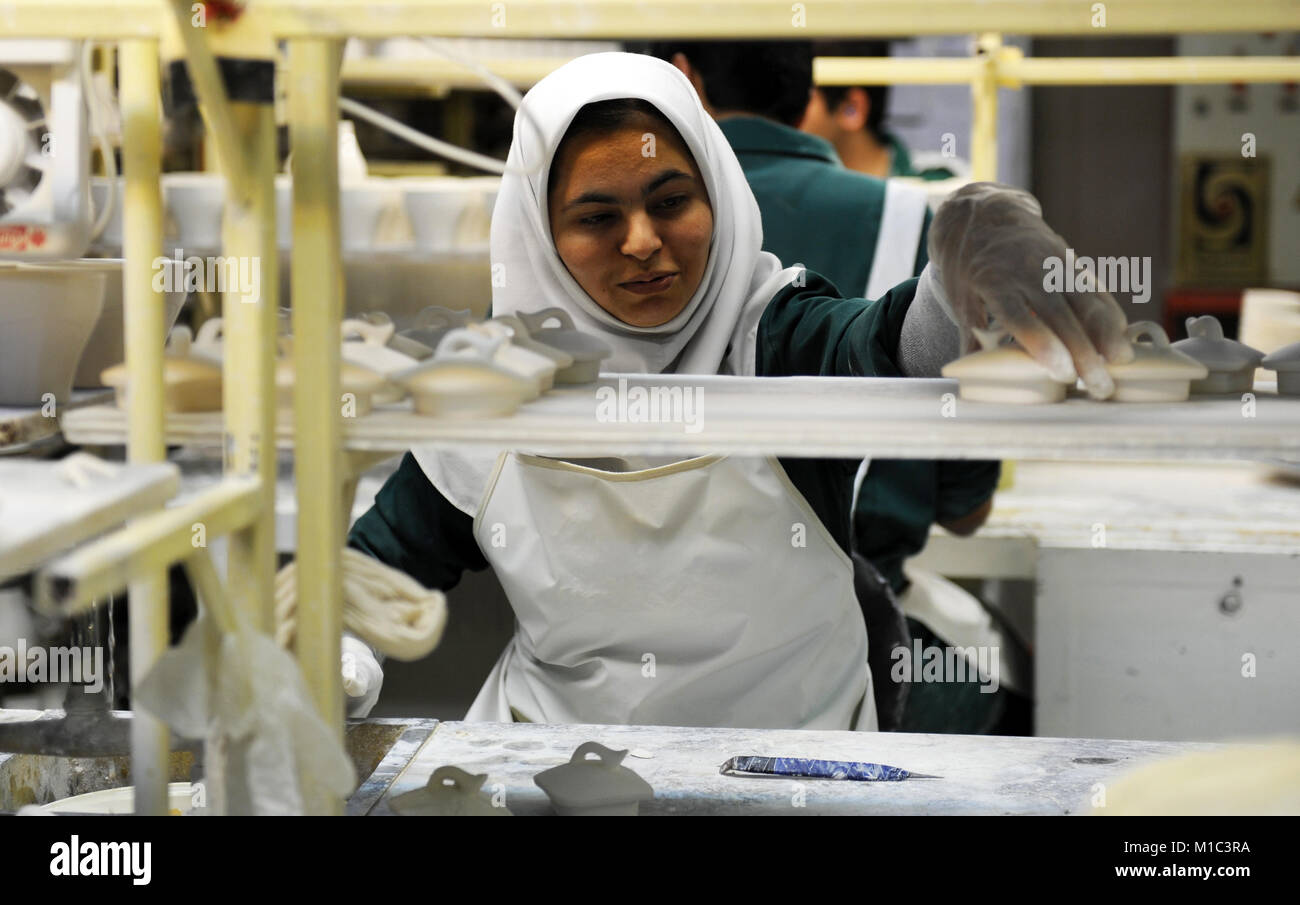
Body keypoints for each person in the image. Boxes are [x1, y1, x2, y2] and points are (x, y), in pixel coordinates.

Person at [343, 52, 1130, 729]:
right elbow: (379, 563)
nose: (645, 242)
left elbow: (885, 346)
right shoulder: (500, 384)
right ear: (540, 235)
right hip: (553, 760)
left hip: (800, 764)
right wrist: (337, 655)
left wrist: (960, 276)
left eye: (671, 201)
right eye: (596, 216)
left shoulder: (772, 336)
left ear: (715, 192)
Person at [640, 41, 1010, 730]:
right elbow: (967, 510)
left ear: (684, 76)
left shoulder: (610, 245)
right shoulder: (913, 222)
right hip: (865, 642)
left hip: (644, 665)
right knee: (999, 700)